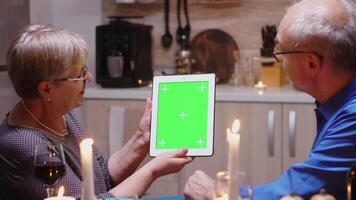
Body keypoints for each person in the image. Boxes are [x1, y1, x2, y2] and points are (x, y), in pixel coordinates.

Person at [184, 0, 356, 199]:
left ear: (311, 63)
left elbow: (297, 188)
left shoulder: (352, 118)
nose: (279, 59)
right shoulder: (336, 99)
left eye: (281, 51)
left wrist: (216, 193)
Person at [0, 24, 193, 200]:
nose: (89, 77)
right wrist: (152, 170)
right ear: (47, 89)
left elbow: (102, 177)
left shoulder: (60, 113)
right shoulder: (26, 147)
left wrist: (142, 138)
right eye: (79, 75)